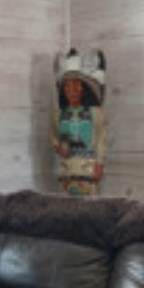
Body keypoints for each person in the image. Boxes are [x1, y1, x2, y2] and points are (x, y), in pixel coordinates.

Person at [53, 49, 106, 196]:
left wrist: (99, 163)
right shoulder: (59, 114)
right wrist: (58, 147)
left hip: (88, 166)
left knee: (89, 206)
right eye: (67, 87)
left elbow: (100, 138)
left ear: (84, 88)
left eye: (76, 86)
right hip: (67, 168)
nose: (72, 91)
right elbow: (55, 137)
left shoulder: (94, 113)